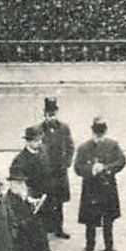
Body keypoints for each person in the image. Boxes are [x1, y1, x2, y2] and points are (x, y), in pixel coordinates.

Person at [73, 117, 126, 251]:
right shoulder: (84, 148)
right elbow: (77, 168)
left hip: (107, 187)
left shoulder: (113, 145)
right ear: (92, 132)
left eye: (101, 134)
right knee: (90, 219)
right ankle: (89, 246)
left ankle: (109, 246)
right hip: (91, 188)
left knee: (108, 218)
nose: (99, 137)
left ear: (105, 132)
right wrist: (91, 170)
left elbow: (121, 161)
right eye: (97, 134)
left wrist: (106, 168)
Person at [40, 97, 75, 239]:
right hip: (46, 171)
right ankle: (47, 228)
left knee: (59, 201)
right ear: (44, 114)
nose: (51, 117)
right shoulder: (39, 129)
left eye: (53, 114)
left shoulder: (64, 128)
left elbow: (71, 146)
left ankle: (58, 228)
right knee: (46, 199)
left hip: (60, 171)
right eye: (48, 115)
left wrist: (67, 162)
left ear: (57, 113)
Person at [8, 125, 55, 206]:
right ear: (28, 141)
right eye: (36, 140)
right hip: (31, 201)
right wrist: (28, 198)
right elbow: (17, 185)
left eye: (40, 140)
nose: (39, 143)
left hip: (47, 198)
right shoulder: (19, 160)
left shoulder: (44, 151)